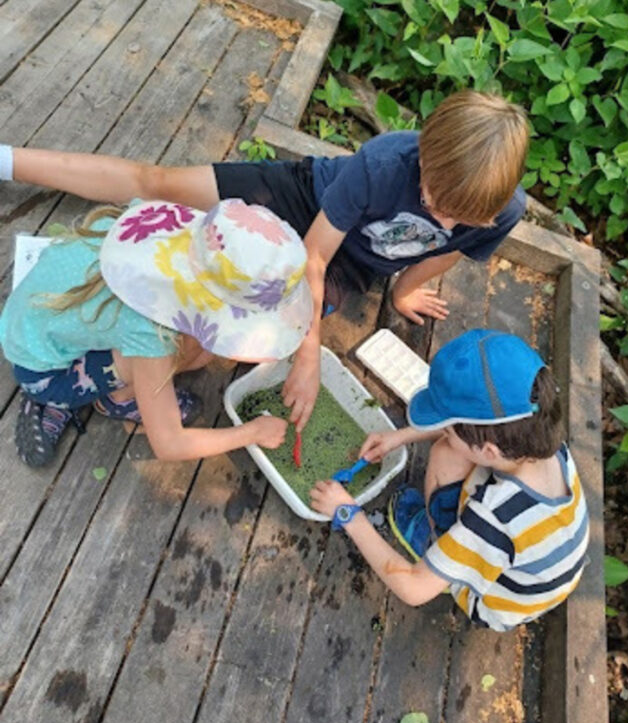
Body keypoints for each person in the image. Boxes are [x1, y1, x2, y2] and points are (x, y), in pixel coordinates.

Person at [0, 89, 529, 430]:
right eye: (433, 200)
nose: (443, 221)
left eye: (462, 218)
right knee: (156, 183)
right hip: (302, 202)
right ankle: (9, 160)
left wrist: (406, 289)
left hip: (355, 265)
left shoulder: (501, 212)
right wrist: (307, 358)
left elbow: (451, 250)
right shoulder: (386, 161)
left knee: (210, 342)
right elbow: (313, 257)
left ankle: (110, 374)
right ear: (425, 156)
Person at [309, 330, 589, 632]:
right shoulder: (544, 442)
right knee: (450, 448)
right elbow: (469, 436)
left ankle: (435, 546)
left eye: (450, 427)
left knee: (444, 454)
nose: (445, 431)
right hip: (534, 569)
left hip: (489, 599)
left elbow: (412, 589)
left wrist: (348, 513)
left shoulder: (493, 519)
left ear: (489, 450)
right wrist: (399, 437)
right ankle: (451, 548)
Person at [0, 198, 313, 466]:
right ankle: (107, 400)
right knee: (191, 351)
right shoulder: (150, 330)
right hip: (44, 371)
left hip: (42, 321)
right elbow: (169, 444)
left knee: (198, 350)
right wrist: (252, 432)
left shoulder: (176, 233)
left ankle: (105, 390)